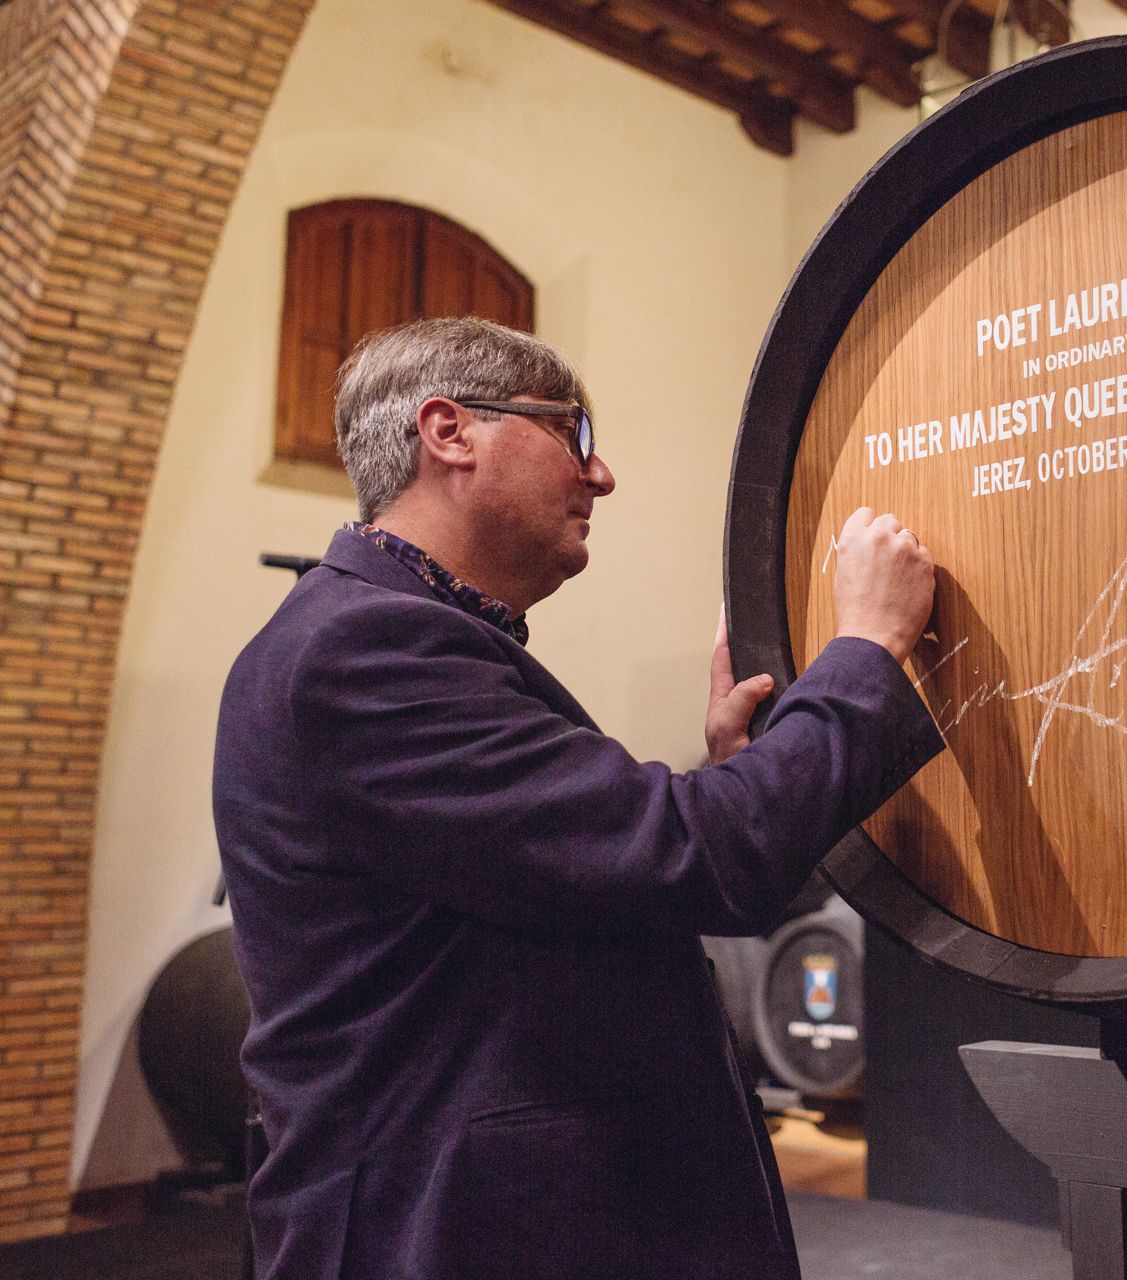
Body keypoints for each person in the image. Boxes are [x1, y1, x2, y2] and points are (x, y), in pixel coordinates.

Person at [212, 316, 942, 1279]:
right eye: (573, 434)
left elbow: (593, 882)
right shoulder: (362, 653)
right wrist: (865, 650)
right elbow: (686, 856)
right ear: (449, 432)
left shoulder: (390, 639)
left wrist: (733, 771)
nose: (601, 476)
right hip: (456, 1233)